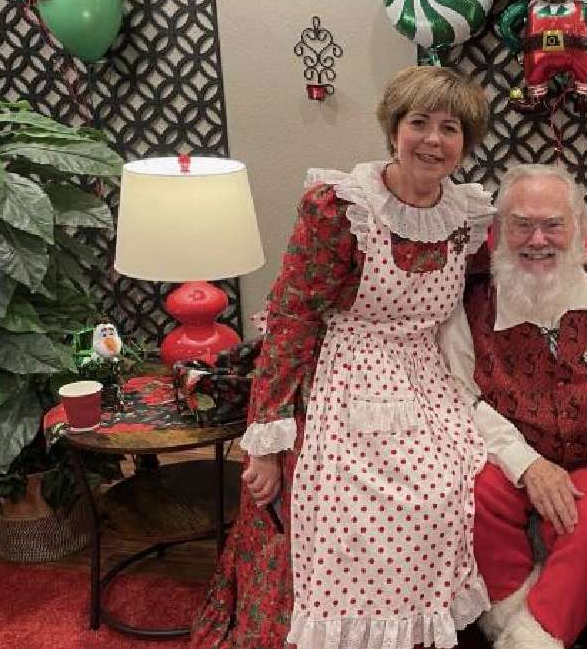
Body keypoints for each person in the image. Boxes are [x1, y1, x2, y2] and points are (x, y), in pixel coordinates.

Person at [191, 66, 495, 649]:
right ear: (394, 130)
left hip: (428, 378)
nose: (433, 140)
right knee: (354, 507)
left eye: (450, 128)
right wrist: (268, 444)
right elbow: (291, 317)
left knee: (447, 493)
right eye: (419, 123)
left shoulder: (467, 217)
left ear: (466, 142)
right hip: (344, 375)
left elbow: (490, 293)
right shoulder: (342, 209)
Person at [439, 164, 587, 649]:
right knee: (464, 491)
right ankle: (522, 628)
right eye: (521, 224)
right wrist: (528, 466)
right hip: (506, 457)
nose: (537, 239)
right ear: (500, 230)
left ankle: (530, 637)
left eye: (553, 224)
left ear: (579, 228)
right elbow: (460, 398)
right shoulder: (469, 301)